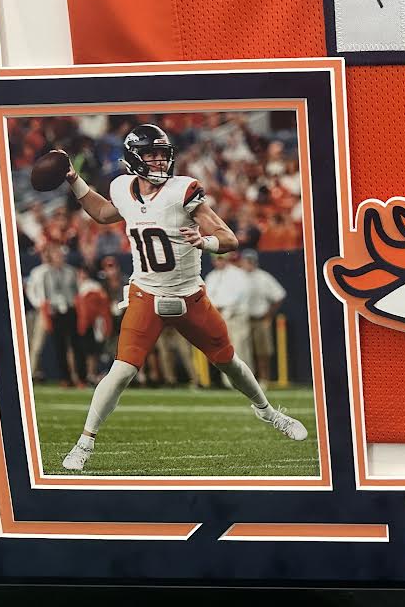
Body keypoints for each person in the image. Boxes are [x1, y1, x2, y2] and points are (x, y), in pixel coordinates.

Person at [54, 124, 307, 472]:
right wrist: (73, 179)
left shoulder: (182, 191)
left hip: (189, 295)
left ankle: (268, 412)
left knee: (229, 361)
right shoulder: (122, 188)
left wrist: (206, 242)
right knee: (122, 370)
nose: (159, 161)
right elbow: (103, 213)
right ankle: (84, 443)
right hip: (146, 293)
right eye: (151, 155)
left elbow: (229, 238)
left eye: (162, 154)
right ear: (133, 158)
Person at [25, 244, 86, 386]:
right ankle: (45, 375)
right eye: (56, 255)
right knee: (54, 345)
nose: (60, 257)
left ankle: (80, 377)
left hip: (69, 309)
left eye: (61, 255)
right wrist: (40, 305)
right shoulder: (43, 272)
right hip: (51, 310)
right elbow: (34, 291)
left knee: (75, 344)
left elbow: (77, 292)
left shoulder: (70, 271)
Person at [240, 248, 287, 384]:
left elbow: (279, 295)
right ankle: (248, 380)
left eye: (251, 261)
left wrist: (268, 314)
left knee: (263, 351)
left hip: (259, 319)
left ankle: (264, 378)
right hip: (242, 319)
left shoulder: (263, 277)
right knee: (244, 351)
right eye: (246, 261)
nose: (248, 263)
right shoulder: (237, 277)